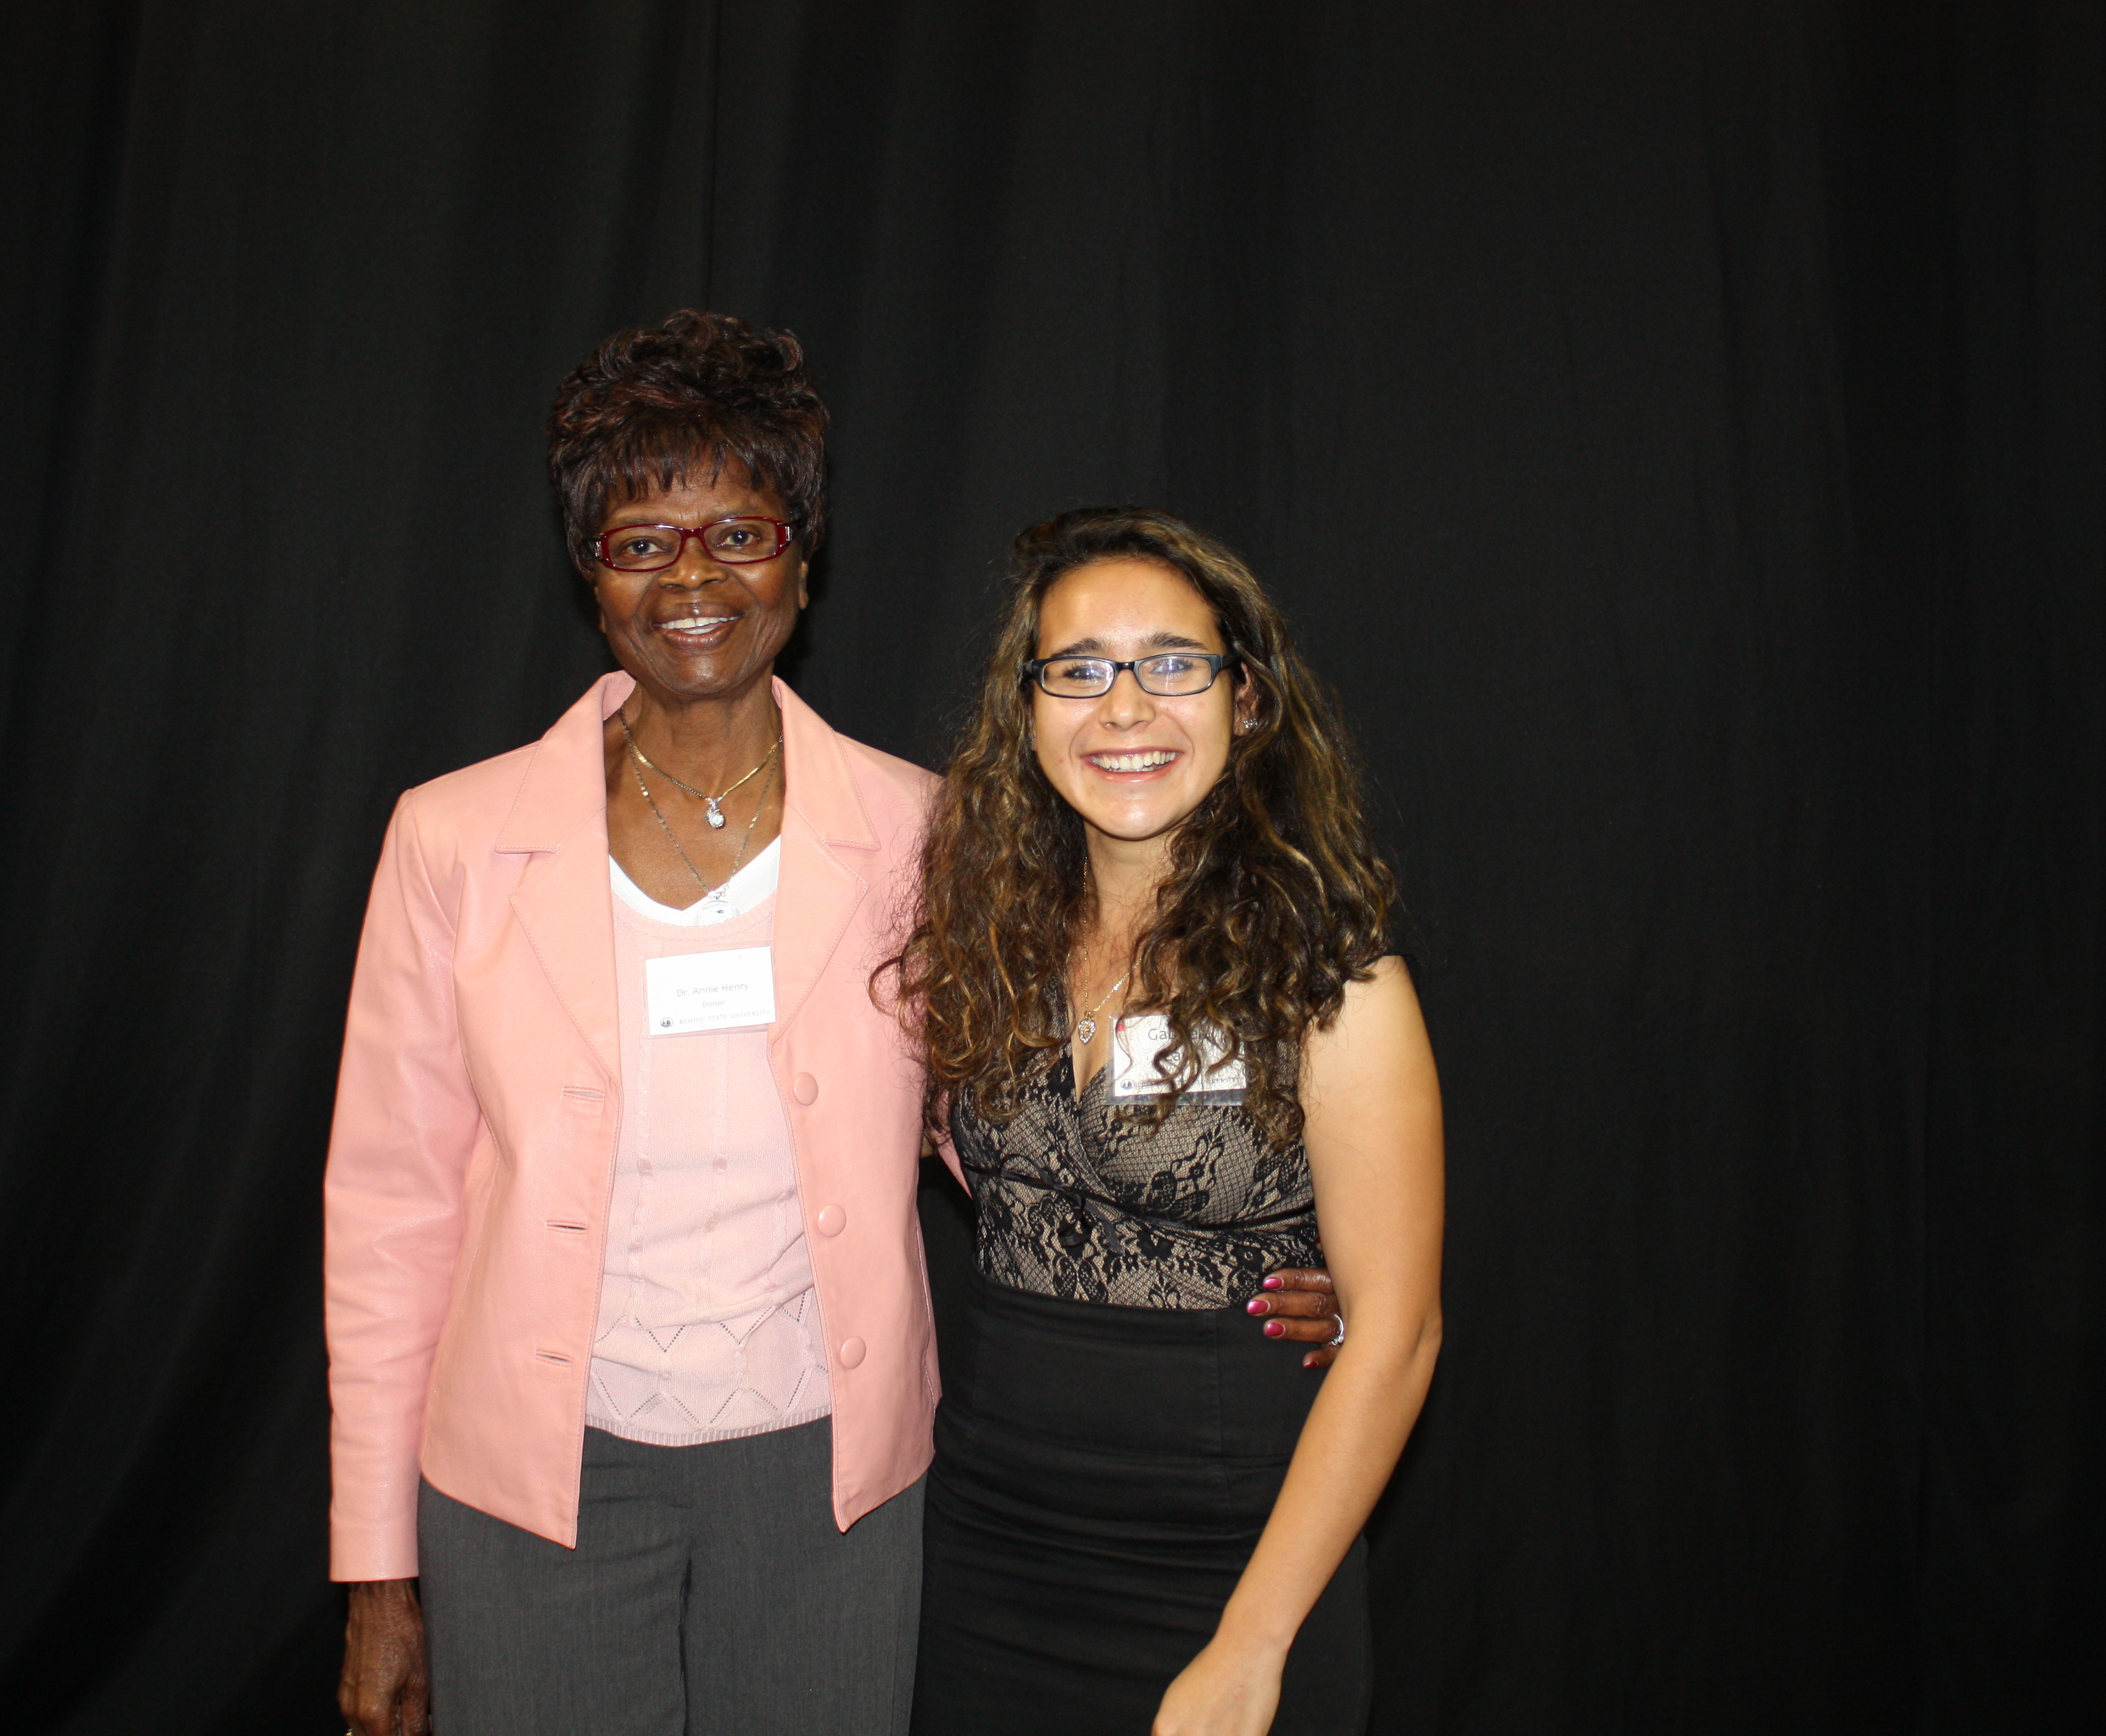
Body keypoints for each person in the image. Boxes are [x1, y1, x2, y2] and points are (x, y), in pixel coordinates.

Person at [324, 314, 1343, 1736]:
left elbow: (1023, 1131)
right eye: (642, 539)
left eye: (738, 529)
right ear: (590, 569)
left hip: (833, 1485)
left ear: (802, 553)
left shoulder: (925, 833)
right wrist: (377, 1567)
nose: (694, 576)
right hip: (534, 1491)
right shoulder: (450, 837)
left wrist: (1266, 1261)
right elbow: (388, 1210)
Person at [896, 508, 1445, 1736]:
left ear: (1244, 697)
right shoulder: (981, 941)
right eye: (1080, 670)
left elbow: (1399, 1333)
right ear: (1027, 709)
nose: (1125, 707)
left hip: (1236, 1543)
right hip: (992, 1536)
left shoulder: (1335, 975)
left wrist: (1252, 1648)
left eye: (1172, 663)